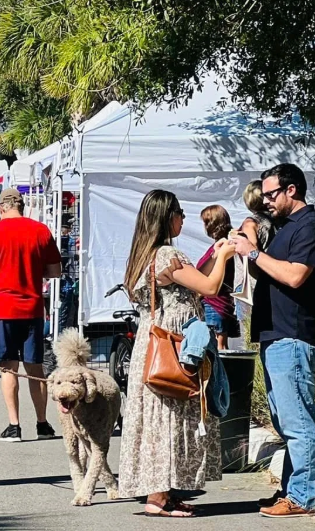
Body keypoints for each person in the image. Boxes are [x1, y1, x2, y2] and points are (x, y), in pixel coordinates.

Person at [117, 189, 230, 517]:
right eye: (180, 212)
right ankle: (158, 497)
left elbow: (195, 279)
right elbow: (209, 287)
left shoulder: (145, 253)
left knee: (158, 419)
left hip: (151, 346)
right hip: (172, 347)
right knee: (170, 417)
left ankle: (163, 492)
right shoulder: (167, 254)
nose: (183, 218)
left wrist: (215, 254)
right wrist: (224, 256)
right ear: (168, 217)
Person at [230, 164, 315, 518]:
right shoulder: (287, 228)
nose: (265, 200)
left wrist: (255, 253)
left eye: (271, 194)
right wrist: (248, 241)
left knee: (298, 421)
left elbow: (294, 275)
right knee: (285, 419)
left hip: (295, 333)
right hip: (275, 332)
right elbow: (265, 267)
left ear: (292, 190)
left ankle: (302, 497)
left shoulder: (311, 227)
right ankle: (291, 489)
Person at [0, 189, 62, 442]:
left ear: (1, 207)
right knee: (35, 369)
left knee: (8, 368)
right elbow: (55, 270)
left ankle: (14, 425)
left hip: (3, 307)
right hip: (32, 307)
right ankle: (43, 424)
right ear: (22, 206)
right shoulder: (40, 230)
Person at [196, 205, 238, 349]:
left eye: (206, 222)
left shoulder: (225, 246)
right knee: (220, 346)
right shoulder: (223, 245)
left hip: (215, 303)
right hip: (218, 304)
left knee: (217, 348)